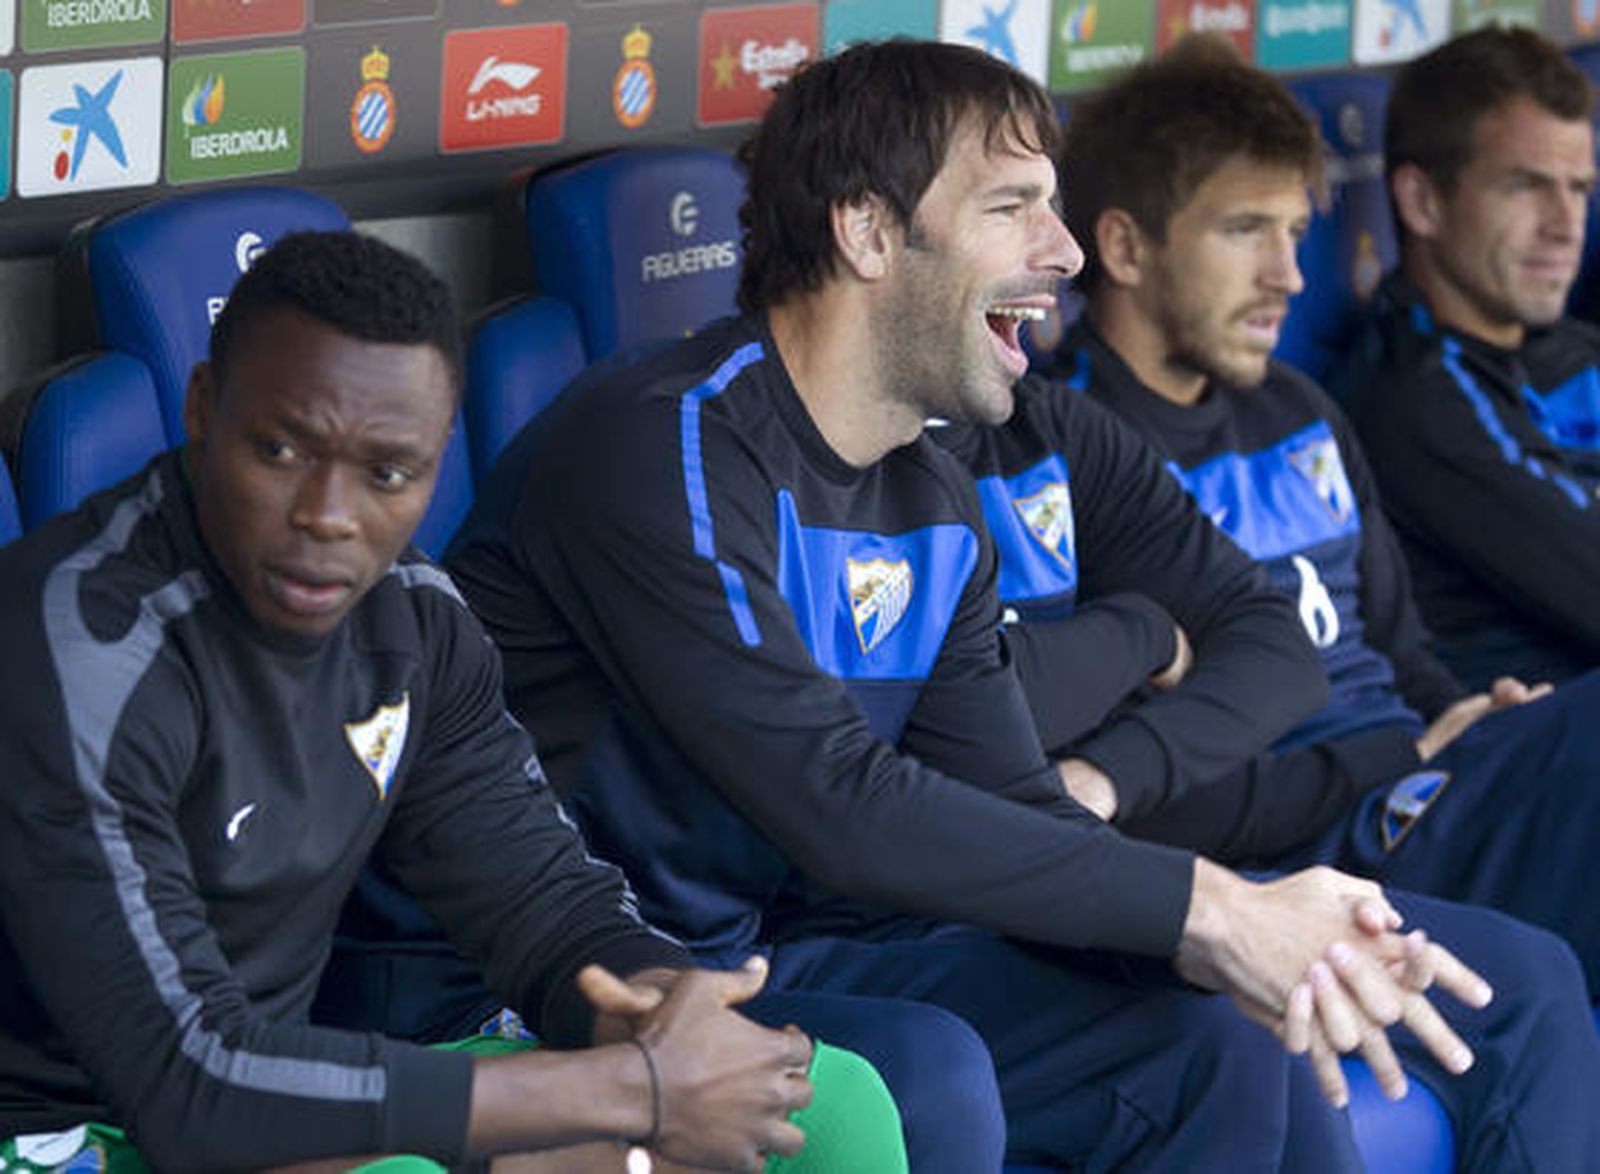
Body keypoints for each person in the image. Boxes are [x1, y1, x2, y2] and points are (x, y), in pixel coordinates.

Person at [446, 39, 1541, 1172]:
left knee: (1220, 1040)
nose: (1063, 252)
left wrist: (1255, 947)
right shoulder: (662, 439)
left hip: (788, 951)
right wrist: (1207, 907)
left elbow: (1012, 801)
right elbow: (842, 802)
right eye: (1013, 206)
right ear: (867, 230)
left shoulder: (930, 484)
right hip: (584, 988)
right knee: (929, 1068)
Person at [0, 231, 908, 1174]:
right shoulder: (82, 636)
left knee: (828, 1104)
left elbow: (546, 907)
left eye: (387, 472)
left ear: (436, 465)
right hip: (69, 1130)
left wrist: (667, 1022)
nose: (328, 513)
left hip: (277, 1108)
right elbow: (183, 1081)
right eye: (280, 449)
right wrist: (628, 1092)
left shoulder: (416, 623)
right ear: (201, 410)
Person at [1000, 38, 1600, 1168]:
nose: (1286, 274)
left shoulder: (1301, 410)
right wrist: (1390, 762)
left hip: (1416, 784)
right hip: (1306, 836)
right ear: (1122, 246)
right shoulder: (1067, 451)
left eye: (1293, 234)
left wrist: (1477, 714)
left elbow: (1403, 656)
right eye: (1244, 233)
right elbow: (1109, 789)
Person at [1334, 26, 1600, 689]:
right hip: (1527, 754)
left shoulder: (1568, 344)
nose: (1567, 226)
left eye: (1578, 188)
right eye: (1526, 187)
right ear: (1423, 201)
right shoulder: (1418, 396)